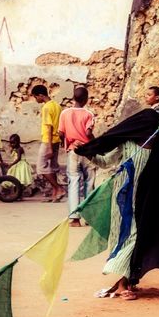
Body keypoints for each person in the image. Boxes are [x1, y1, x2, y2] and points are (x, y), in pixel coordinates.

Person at [76, 107, 159, 300]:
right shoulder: (127, 142)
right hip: (122, 198)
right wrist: (87, 150)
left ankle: (127, 281)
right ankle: (124, 282)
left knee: (137, 236)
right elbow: (105, 161)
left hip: (144, 200)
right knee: (125, 237)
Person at [58, 86, 95, 226]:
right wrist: (96, 143)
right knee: (89, 183)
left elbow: (61, 133)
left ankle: (74, 218)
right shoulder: (88, 114)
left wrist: (65, 143)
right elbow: (88, 133)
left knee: (73, 182)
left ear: (73, 98)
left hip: (73, 151)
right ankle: (90, 217)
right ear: (86, 99)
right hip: (87, 151)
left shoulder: (65, 113)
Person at [31, 84, 65, 202]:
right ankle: (55, 194)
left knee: (40, 167)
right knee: (51, 167)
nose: (36, 100)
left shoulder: (46, 107)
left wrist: (49, 147)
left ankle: (58, 188)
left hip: (48, 141)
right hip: (56, 140)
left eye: (36, 97)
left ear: (40, 95)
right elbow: (61, 125)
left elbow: (49, 127)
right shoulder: (57, 105)